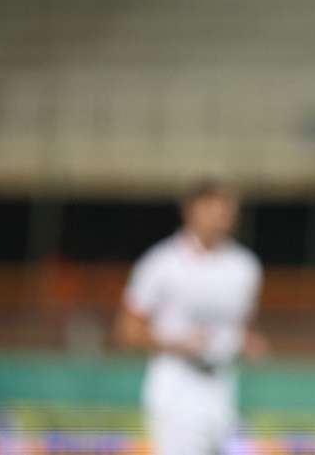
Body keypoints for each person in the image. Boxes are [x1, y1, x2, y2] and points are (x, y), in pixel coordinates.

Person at [114, 179, 267, 455]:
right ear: (190, 211)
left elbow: (242, 326)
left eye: (226, 210)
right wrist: (178, 344)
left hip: (224, 384)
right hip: (176, 383)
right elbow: (127, 330)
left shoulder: (244, 267)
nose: (220, 218)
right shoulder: (161, 262)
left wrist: (248, 342)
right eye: (212, 209)